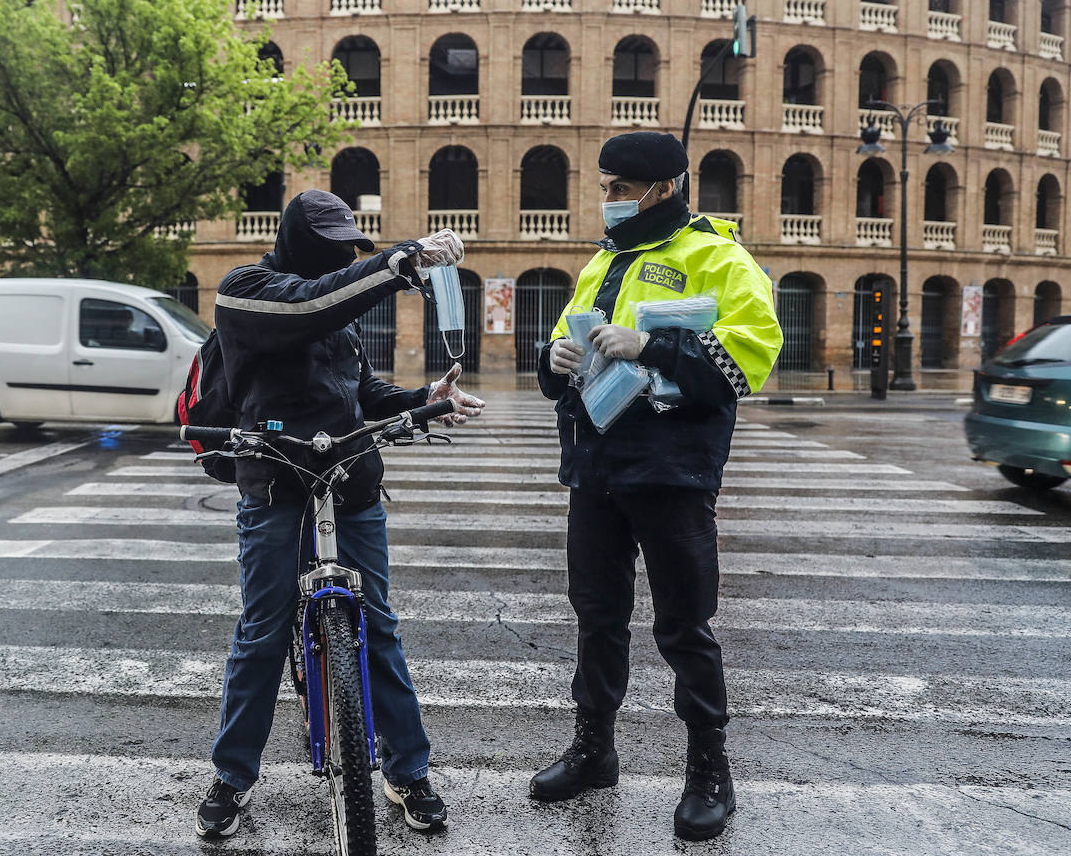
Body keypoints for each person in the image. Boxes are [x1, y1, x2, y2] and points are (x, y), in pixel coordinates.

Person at [196, 189, 486, 839]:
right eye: (331, 248)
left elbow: (358, 391)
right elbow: (311, 306)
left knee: (377, 623)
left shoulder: (341, 311)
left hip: (351, 479)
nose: (339, 258)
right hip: (274, 483)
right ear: (298, 240)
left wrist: (425, 398)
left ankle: (408, 769)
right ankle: (233, 776)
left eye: (347, 248)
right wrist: (401, 260)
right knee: (263, 629)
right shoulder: (245, 291)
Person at [529, 132, 782, 841]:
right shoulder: (604, 260)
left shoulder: (719, 258)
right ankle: (594, 748)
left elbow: (749, 360)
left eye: (617, 187)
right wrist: (554, 359)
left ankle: (709, 769)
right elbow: (559, 359)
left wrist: (654, 344)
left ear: (661, 188)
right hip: (595, 466)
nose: (606, 200)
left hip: (672, 470)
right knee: (596, 615)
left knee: (683, 626)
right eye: (604, 186)